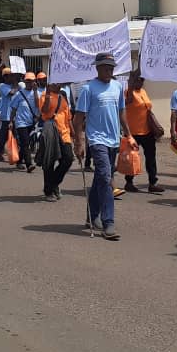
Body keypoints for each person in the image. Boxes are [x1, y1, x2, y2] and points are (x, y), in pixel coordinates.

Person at [73, 52, 132, 241]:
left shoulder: (117, 86)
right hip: (97, 140)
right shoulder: (88, 89)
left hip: (113, 140)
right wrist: (79, 142)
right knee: (106, 178)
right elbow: (78, 119)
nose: (109, 70)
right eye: (105, 67)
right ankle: (109, 223)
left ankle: (91, 216)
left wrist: (129, 134)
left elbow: (121, 112)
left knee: (101, 178)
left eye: (111, 67)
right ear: (97, 68)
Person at [123, 70, 165, 194]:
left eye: (142, 80)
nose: (141, 82)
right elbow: (128, 101)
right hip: (133, 132)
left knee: (151, 158)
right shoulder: (128, 93)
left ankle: (153, 183)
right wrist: (131, 81)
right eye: (138, 80)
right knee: (132, 158)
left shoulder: (143, 92)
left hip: (147, 131)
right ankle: (129, 182)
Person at [39, 80, 74, 200]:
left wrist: (74, 133)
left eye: (60, 83)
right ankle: (49, 191)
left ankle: (53, 184)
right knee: (49, 161)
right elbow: (45, 110)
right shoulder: (44, 95)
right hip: (51, 131)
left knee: (68, 159)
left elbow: (68, 117)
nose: (58, 85)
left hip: (64, 134)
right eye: (56, 83)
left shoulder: (63, 97)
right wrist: (48, 94)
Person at [9, 72, 40, 172]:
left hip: (31, 123)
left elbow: (37, 104)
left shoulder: (37, 93)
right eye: (27, 81)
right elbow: (13, 109)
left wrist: (35, 91)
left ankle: (19, 161)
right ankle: (29, 164)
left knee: (24, 143)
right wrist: (11, 121)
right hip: (21, 122)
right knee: (25, 143)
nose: (29, 83)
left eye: (31, 81)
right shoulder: (19, 94)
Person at [0, 68, 16, 160]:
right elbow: (11, 93)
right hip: (6, 115)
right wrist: (15, 85)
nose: (12, 77)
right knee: (3, 136)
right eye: (11, 75)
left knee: (12, 135)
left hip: (14, 114)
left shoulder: (15, 85)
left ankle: (2, 150)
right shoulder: (2, 86)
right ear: (5, 77)